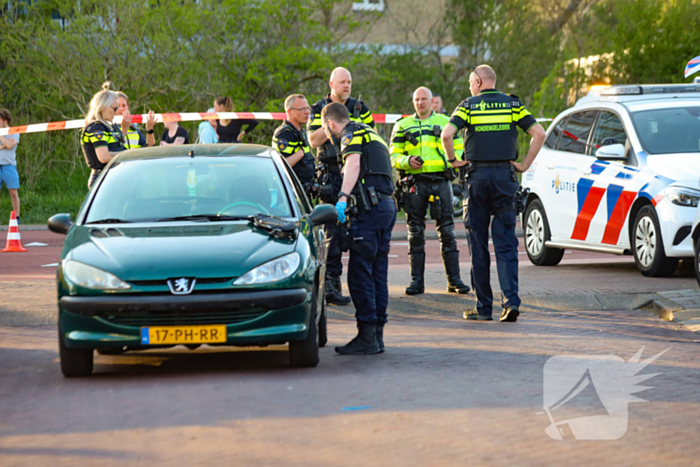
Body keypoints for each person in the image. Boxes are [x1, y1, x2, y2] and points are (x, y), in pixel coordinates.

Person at [441, 65, 546, 322]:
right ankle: (510, 303)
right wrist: (525, 165)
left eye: (470, 82)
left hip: (476, 179)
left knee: (477, 244)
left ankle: (483, 307)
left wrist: (453, 161)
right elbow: (539, 133)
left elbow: (446, 134)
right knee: (506, 244)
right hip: (504, 179)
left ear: (478, 81)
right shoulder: (513, 104)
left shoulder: (468, 106)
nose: (469, 87)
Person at [321, 102, 396, 355]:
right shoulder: (371, 132)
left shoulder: (350, 133)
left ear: (330, 123)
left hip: (369, 210)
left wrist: (342, 197)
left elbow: (353, 164)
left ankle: (366, 336)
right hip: (385, 207)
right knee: (378, 273)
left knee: (360, 273)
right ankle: (377, 336)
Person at [390, 87, 470, 296]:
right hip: (415, 183)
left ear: (431, 100)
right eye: (417, 99)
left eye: (424, 99)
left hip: (441, 181)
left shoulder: (445, 122)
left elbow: (459, 146)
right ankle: (417, 282)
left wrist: (452, 161)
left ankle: (454, 280)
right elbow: (393, 155)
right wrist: (407, 161)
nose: (420, 102)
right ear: (413, 102)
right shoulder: (402, 125)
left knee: (448, 232)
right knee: (415, 233)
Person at [308, 67, 374, 306]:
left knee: (360, 229)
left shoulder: (360, 108)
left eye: (349, 82)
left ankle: (362, 285)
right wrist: (334, 124)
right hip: (331, 176)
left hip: (355, 173)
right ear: (331, 84)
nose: (347, 86)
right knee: (332, 233)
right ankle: (330, 284)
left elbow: (371, 135)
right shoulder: (318, 108)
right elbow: (313, 140)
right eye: (342, 82)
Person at [81, 83, 126, 189]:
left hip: (111, 175)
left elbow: (117, 147)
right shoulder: (96, 128)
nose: (116, 112)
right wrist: (127, 154)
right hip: (102, 177)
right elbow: (103, 157)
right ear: (104, 107)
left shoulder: (108, 126)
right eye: (114, 108)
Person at [272, 94, 316, 192]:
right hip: (292, 191)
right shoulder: (284, 134)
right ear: (289, 111)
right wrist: (300, 153)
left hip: (306, 189)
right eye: (302, 109)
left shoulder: (300, 131)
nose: (307, 112)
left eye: (307, 108)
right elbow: (280, 165)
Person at [0, 109, 21, 223]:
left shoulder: (14, 131)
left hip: (9, 165)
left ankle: (16, 217)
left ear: (5, 120)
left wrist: (1, 137)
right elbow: (8, 144)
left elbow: (9, 146)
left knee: (13, 192)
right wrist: (6, 143)